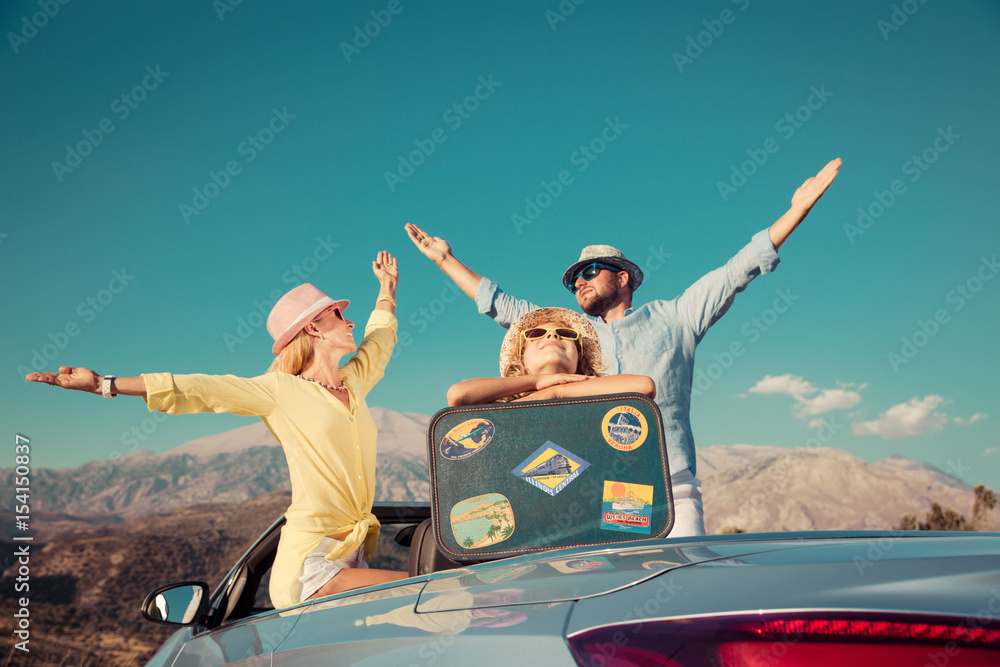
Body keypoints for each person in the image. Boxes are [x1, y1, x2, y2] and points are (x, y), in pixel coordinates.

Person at [406, 158, 842, 537]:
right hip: (607, 490)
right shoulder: (572, 337)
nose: (579, 280)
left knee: (682, 592)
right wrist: (445, 259)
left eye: (590, 271)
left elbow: (734, 272)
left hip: (672, 481)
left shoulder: (677, 316)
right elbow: (505, 306)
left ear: (623, 277)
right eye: (574, 277)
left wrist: (796, 211)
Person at [26, 251, 407, 609]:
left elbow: (381, 337)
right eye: (339, 315)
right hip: (311, 569)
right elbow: (200, 388)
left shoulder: (353, 383)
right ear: (313, 327)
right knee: (424, 589)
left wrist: (387, 287)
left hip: (354, 558)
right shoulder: (279, 392)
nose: (350, 321)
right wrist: (103, 385)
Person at [446, 306, 654, 405]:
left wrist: (556, 393)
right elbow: (457, 395)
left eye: (566, 334)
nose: (553, 334)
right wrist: (538, 383)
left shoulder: (595, 391)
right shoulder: (503, 402)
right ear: (521, 358)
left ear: (580, 358)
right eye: (536, 334)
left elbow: (644, 386)